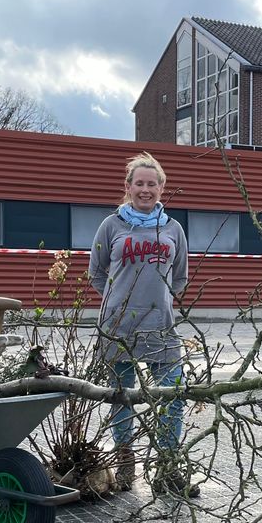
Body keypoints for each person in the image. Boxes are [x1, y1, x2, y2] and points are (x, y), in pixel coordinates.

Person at [88, 151, 194, 495]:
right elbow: (96, 273)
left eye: (152, 183)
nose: (145, 189)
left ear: (162, 188)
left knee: (173, 394)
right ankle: (125, 467)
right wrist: (118, 301)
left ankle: (166, 468)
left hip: (161, 327)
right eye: (139, 183)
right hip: (118, 327)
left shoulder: (174, 229)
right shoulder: (112, 225)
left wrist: (158, 300)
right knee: (122, 397)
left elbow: (180, 277)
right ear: (128, 187)